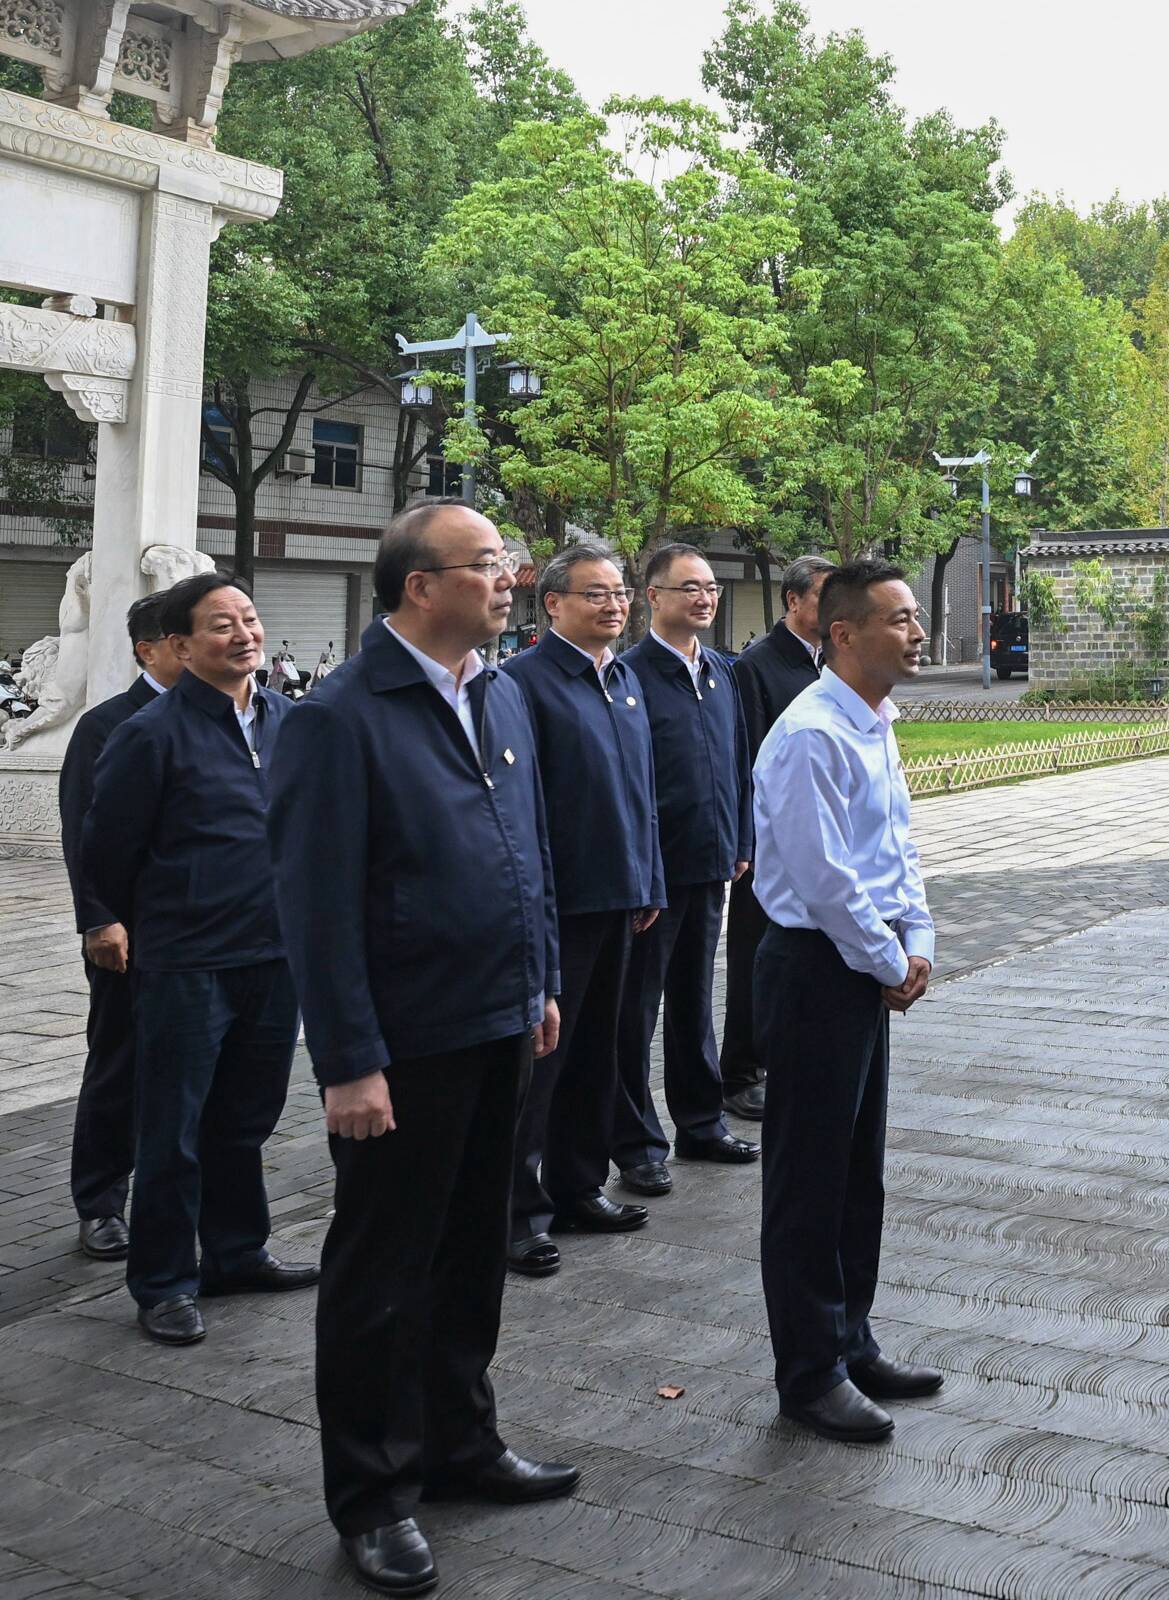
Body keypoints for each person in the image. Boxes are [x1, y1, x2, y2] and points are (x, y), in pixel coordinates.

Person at [268, 498, 574, 1597]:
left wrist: (539, 980)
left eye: (506, 562)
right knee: (382, 1273)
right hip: (402, 1046)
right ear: (419, 587)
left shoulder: (495, 691)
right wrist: (348, 1059)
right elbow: (316, 906)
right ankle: (373, 1493)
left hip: (498, 1021)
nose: (509, 579)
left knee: (471, 1250)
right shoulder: (340, 717)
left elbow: (523, 849)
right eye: (487, 564)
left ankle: (460, 1441)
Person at [80, 574, 319, 1346]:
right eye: (221, 625)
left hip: (275, 953)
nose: (243, 635)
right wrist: (115, 922)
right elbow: (105, 849)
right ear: (180, 647)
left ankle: (236, 1253)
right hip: (187, 962)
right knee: (173, 1129)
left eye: (249, 619)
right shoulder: (149, 734)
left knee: (246, 1119)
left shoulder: (291, 721)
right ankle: (163, 1281)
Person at [752, 558, 942, 1443]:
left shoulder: (876, 721)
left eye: (914, 618)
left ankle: (850, 1335)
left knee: (856, 1168)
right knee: (807, 1177)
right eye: (899, 619)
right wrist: (882, 958)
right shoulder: (809, 735)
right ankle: (808, 1371)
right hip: (814, 968)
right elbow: (825, 877)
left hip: (862, 965)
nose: (916, 632)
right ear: (843, 633)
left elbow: (895, 846)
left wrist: (919, 941)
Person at [497, 549, 667, 1276]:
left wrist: (649, 879)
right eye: (594, 593)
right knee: (541, 1067)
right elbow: (521, 806)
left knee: (602, 1052)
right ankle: (517, 1214)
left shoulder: (622, 677)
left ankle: (577, 1186)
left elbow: (641, 792)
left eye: (620, 592)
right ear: (553, 604)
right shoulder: (522, 684)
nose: (612, 605)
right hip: (559, 904)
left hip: (621, 899)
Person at [613, 544, 757, 1194]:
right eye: (688, 588)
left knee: (696, 1001)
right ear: (654, 597)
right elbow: (627, 783)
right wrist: (641, 870)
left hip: (710, 864)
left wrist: (740, 838)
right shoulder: (630, 676)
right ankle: (637, 1143)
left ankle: (700, 1122)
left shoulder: (722, 672)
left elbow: (738, 765)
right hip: (652, 875)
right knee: (636, 1010)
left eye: (710, 588)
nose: (704, 598)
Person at [59, 593, 183, 1263]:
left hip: (207, 932)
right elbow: (84, 831)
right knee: (120, 1063)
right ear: (150, 649)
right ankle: (102, 1201)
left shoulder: (231, 718)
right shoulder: (107, 726)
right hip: (129, 933)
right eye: (183, 636)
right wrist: (99, 918)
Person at [724, 553, 833, 1119]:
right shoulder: (758, 666)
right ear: (793, 601)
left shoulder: (829, 663)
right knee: (753, 953)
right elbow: (747, 759)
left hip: (820, 836)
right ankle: (740, 1069)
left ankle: (783, 1057)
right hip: (768, 842)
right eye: (824, 597)